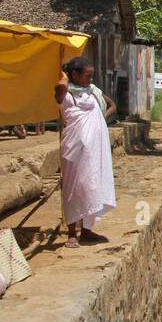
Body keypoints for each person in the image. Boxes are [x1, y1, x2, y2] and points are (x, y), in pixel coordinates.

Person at [54, 57, 117, 247]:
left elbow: (112, 106)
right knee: (74, 186)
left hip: (95, 149)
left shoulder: (93, 92)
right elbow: (59, 89)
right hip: (75, 148)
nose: (90, 79)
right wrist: (64, 75)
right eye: (87, 76)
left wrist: (99, 120)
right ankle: (72, 232)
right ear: (75, 74)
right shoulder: (66, 95)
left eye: (92, 76)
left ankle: (87, 230)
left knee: (92, 185)